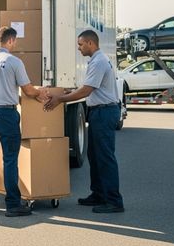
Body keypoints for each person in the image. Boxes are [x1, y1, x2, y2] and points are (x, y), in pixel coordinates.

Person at [44, 29, 124, 213]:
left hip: (104, 112)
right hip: (99, 112)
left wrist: (60, 100)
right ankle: (98, 194)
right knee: (94, 156)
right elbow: (86, 87)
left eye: (80, 44)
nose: (78, 48)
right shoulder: (96, 60)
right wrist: (66, 93)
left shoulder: (99, 62)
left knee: (105, 158)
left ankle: (114, 201)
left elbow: (85, 91)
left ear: (90, 43)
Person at [0, 26, 47, 217]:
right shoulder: (13, 61)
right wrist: (41, 93)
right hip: (6, 115)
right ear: (10, 40)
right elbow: (28, 90)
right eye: (15, 41)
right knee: (9, 160)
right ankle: (13, 205)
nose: (15, 44)